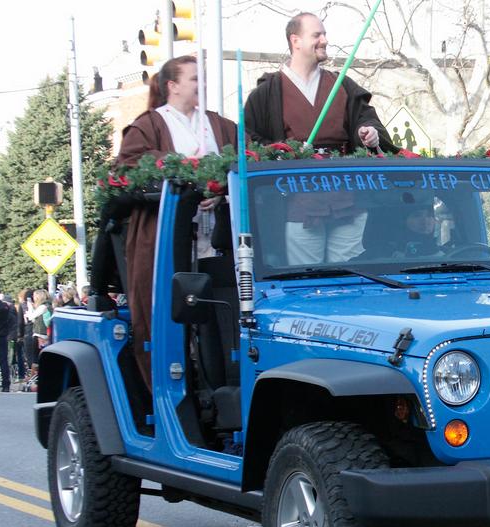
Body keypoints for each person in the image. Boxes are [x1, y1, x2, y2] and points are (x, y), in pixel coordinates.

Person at [115, 55, 238, 389]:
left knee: (218, 314)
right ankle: (170, 388)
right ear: (172, 86)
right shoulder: (151, 125)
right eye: (195, 79)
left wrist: (221, 190)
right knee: (172, 314)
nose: (202, 85)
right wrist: (184, 173)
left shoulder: (217, 124)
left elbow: (244, 159)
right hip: (169, 238)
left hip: (217, 236)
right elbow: (127, 170)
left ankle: (219, 382)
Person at [244, 12, 397, 154]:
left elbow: (366, 118)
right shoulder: (267, 92)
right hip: (293, 179)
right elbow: (250, 141)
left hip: (343, 177)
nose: (325, 41)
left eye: (324, 35)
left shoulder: (342, 85)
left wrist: (367, 132)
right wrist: (283, 153)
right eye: (317, 35)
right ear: (295, 41)